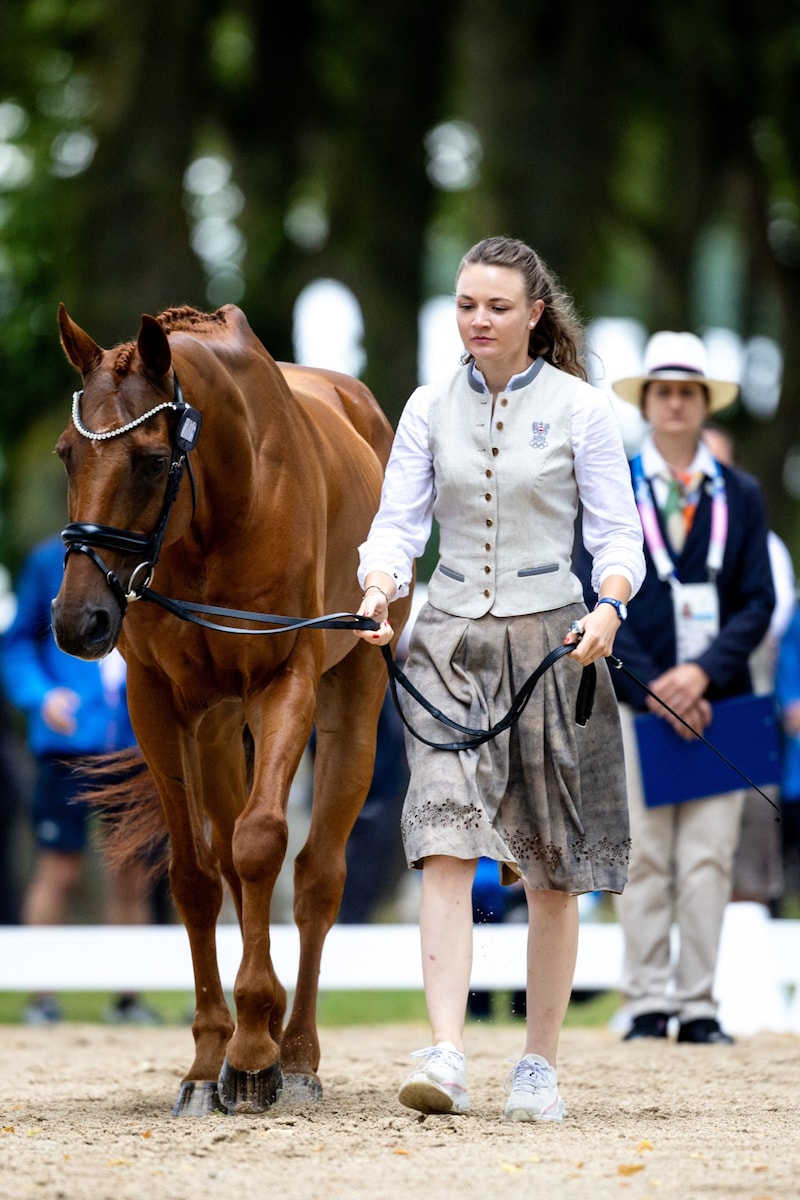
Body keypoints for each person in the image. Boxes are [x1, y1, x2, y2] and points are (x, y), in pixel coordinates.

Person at [354, 236, 645, 1122]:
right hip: (446, 642)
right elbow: (398, 523)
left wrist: (610, 607)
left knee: (551, 867)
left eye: (495, 306)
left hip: (553, 643)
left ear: (534, 314)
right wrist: (378, 588)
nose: (477, 320)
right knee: (443, 838)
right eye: (466, 304)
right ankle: (444, 1052)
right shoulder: (424, 406)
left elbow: (618, 534)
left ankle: (538, 1065)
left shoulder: (584, 409)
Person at [584, 332, 775, 1045]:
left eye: (687, 393)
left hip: (721, 699)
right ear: (648, 404)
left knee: (707, 858)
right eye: (663, 392)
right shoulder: (614, 485)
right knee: (646, 856)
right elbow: (594, 585)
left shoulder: (742, 495)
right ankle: (646, 1000)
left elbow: (758, 599)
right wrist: (656, 683)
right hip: (640, 697)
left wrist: (701, 676)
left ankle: (698, 1006)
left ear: (702, 405)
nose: (674, 404)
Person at [1, 534, 162, 1025]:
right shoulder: (47, 560)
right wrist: (40, 696)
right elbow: (17, 644)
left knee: (133, 875)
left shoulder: (154, 557)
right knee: (59, 867)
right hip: (68, 747)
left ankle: (129, 998)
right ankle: (42, 996)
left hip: (136, 744)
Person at [703, 425, 795, 913]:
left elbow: (770, 622)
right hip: (678, 701)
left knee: (751, 821)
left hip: (743, 695)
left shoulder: (764, 541)